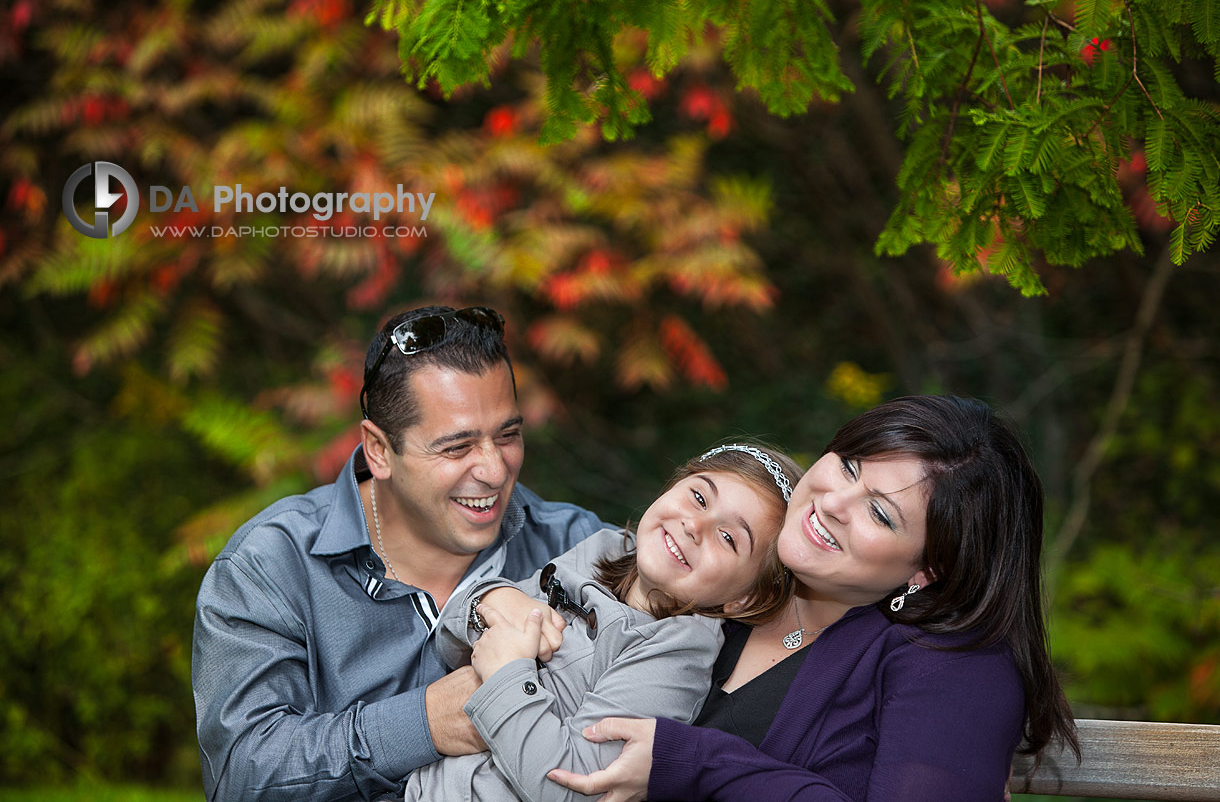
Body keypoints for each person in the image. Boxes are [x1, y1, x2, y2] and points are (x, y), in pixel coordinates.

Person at [548, 395, 1080, 801]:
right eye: (849, 466)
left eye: (879, 512)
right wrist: (490, 608)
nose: (833, 502)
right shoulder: (734, 574)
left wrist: (691, 762)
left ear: (927, 568)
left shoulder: (958, 669)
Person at [192, 305, 604, 802]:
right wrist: (426, 722)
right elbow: (241, 777)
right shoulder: (270, 568)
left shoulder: (576, 545)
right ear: (379, 451)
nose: (495, 471)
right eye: (457, 448)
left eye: (508, 435)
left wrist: (667, 758)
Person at [400, 442, 804, 802]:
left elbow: (570, 785)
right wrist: (489, 599)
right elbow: (449, 640)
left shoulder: (678, 650)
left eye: (729, 538)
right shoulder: (603, 550)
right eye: (699, 497)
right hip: (414, 784)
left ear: (743, 598)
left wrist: (507, 672)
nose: (694, 527)